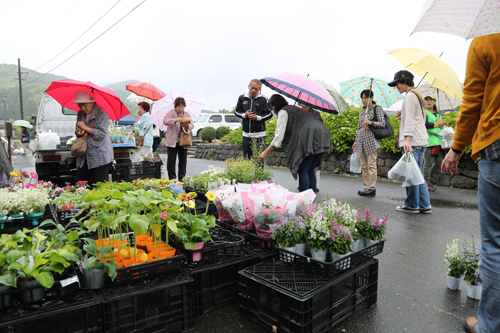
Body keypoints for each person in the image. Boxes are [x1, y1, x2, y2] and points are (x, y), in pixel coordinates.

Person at [441, 33, 500, 333]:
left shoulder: (488, 36)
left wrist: (457, 147)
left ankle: (490, 325)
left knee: (495, 243)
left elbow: (473, 99)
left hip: (497, 142)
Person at [259, 94, 331, 192]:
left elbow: (279, 136)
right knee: (310, 169)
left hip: (312, 135)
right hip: (323, 134)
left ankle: (303, 199)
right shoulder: (293, 108)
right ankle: (311, 197)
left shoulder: (283, 111)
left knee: (303, 170)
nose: (273, 111)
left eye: (272, 108)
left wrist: (265, 152)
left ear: (274, 106)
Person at [389, 70, 432, 213]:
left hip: (412, 142)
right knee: (418, 174)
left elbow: (411, 121)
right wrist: (402, 114)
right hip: (421, 140)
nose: (397, 87)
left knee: (411, 175)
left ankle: (412, 205)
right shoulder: (417, 96)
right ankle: (424, 205)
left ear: (405, 81)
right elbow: (418, 119)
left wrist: (407, 139)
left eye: (398, 83)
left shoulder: (409, 97)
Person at [74, 90, 113, 185]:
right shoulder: (80, 113)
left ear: (92, 102)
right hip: (84, 156)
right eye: (80, 105)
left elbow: (101, 134)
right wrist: (79, 131)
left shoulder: (102, 113)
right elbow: (79, 132)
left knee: (99, 186)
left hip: (100, 156)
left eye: (84, 104)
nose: (82, 108)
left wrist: (85, 127)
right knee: (81, 184)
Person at [352, 90, 385, 196]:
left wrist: (370, 122)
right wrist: (356, 141)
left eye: (366, 98)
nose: (364, 100)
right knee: (364, 165)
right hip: (361, 140)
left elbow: (382, 123)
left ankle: (372, 187)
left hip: (371, 141)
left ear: (372, 97)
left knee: (371, 165)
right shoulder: (362, 111)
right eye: (362, 98)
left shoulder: (377, 108)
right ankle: (366, 186)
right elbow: (359, 127)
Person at [234, 79, 273, 158]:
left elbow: (270, 114)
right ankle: (248, 171)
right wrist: (244, 115)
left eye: (256, 89)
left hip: (260, 135)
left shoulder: (263, 99)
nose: (253, 91)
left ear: (259, 89)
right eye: (252, 88)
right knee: (246, 159)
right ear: (249, 86)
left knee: (259, 159)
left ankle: (259, 171)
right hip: (246, 135)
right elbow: (236, 111)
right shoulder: (242, 98)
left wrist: (258, 118)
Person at [163, 97, 194, 181]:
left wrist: (187, 125)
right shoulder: (171, 113)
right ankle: (172, 177)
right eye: (179, 106)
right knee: (171, 160)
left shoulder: (187, 114)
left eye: (182, 106)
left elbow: (192, 126)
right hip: (172, 141)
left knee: (183, 160)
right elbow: (165, 121)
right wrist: (175, 120)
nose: (181, 108)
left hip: (183, 141)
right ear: (175, 106)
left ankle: (182, 177)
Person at [298, 102, 323, 192]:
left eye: (306, 103)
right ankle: (311, 195)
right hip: (318, 146)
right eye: (302, 103)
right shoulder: (316, 114)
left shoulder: (313, 115)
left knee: (304, 169)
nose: (303, 105)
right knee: (310, 170)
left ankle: (303, 196)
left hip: (311, 146)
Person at [422, 95, 445, 192]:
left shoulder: (439, 114)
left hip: (438, 142)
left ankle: (430, 178)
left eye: (431, 100)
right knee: (428, 162)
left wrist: (442, 125)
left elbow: (440, 128)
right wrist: (437, 123)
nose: (428, 101)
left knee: (439, 162)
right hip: (428, 141)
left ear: (435, 101)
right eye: (426, 100)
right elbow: (425, 124)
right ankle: (426, 182)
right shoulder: (424, 112)